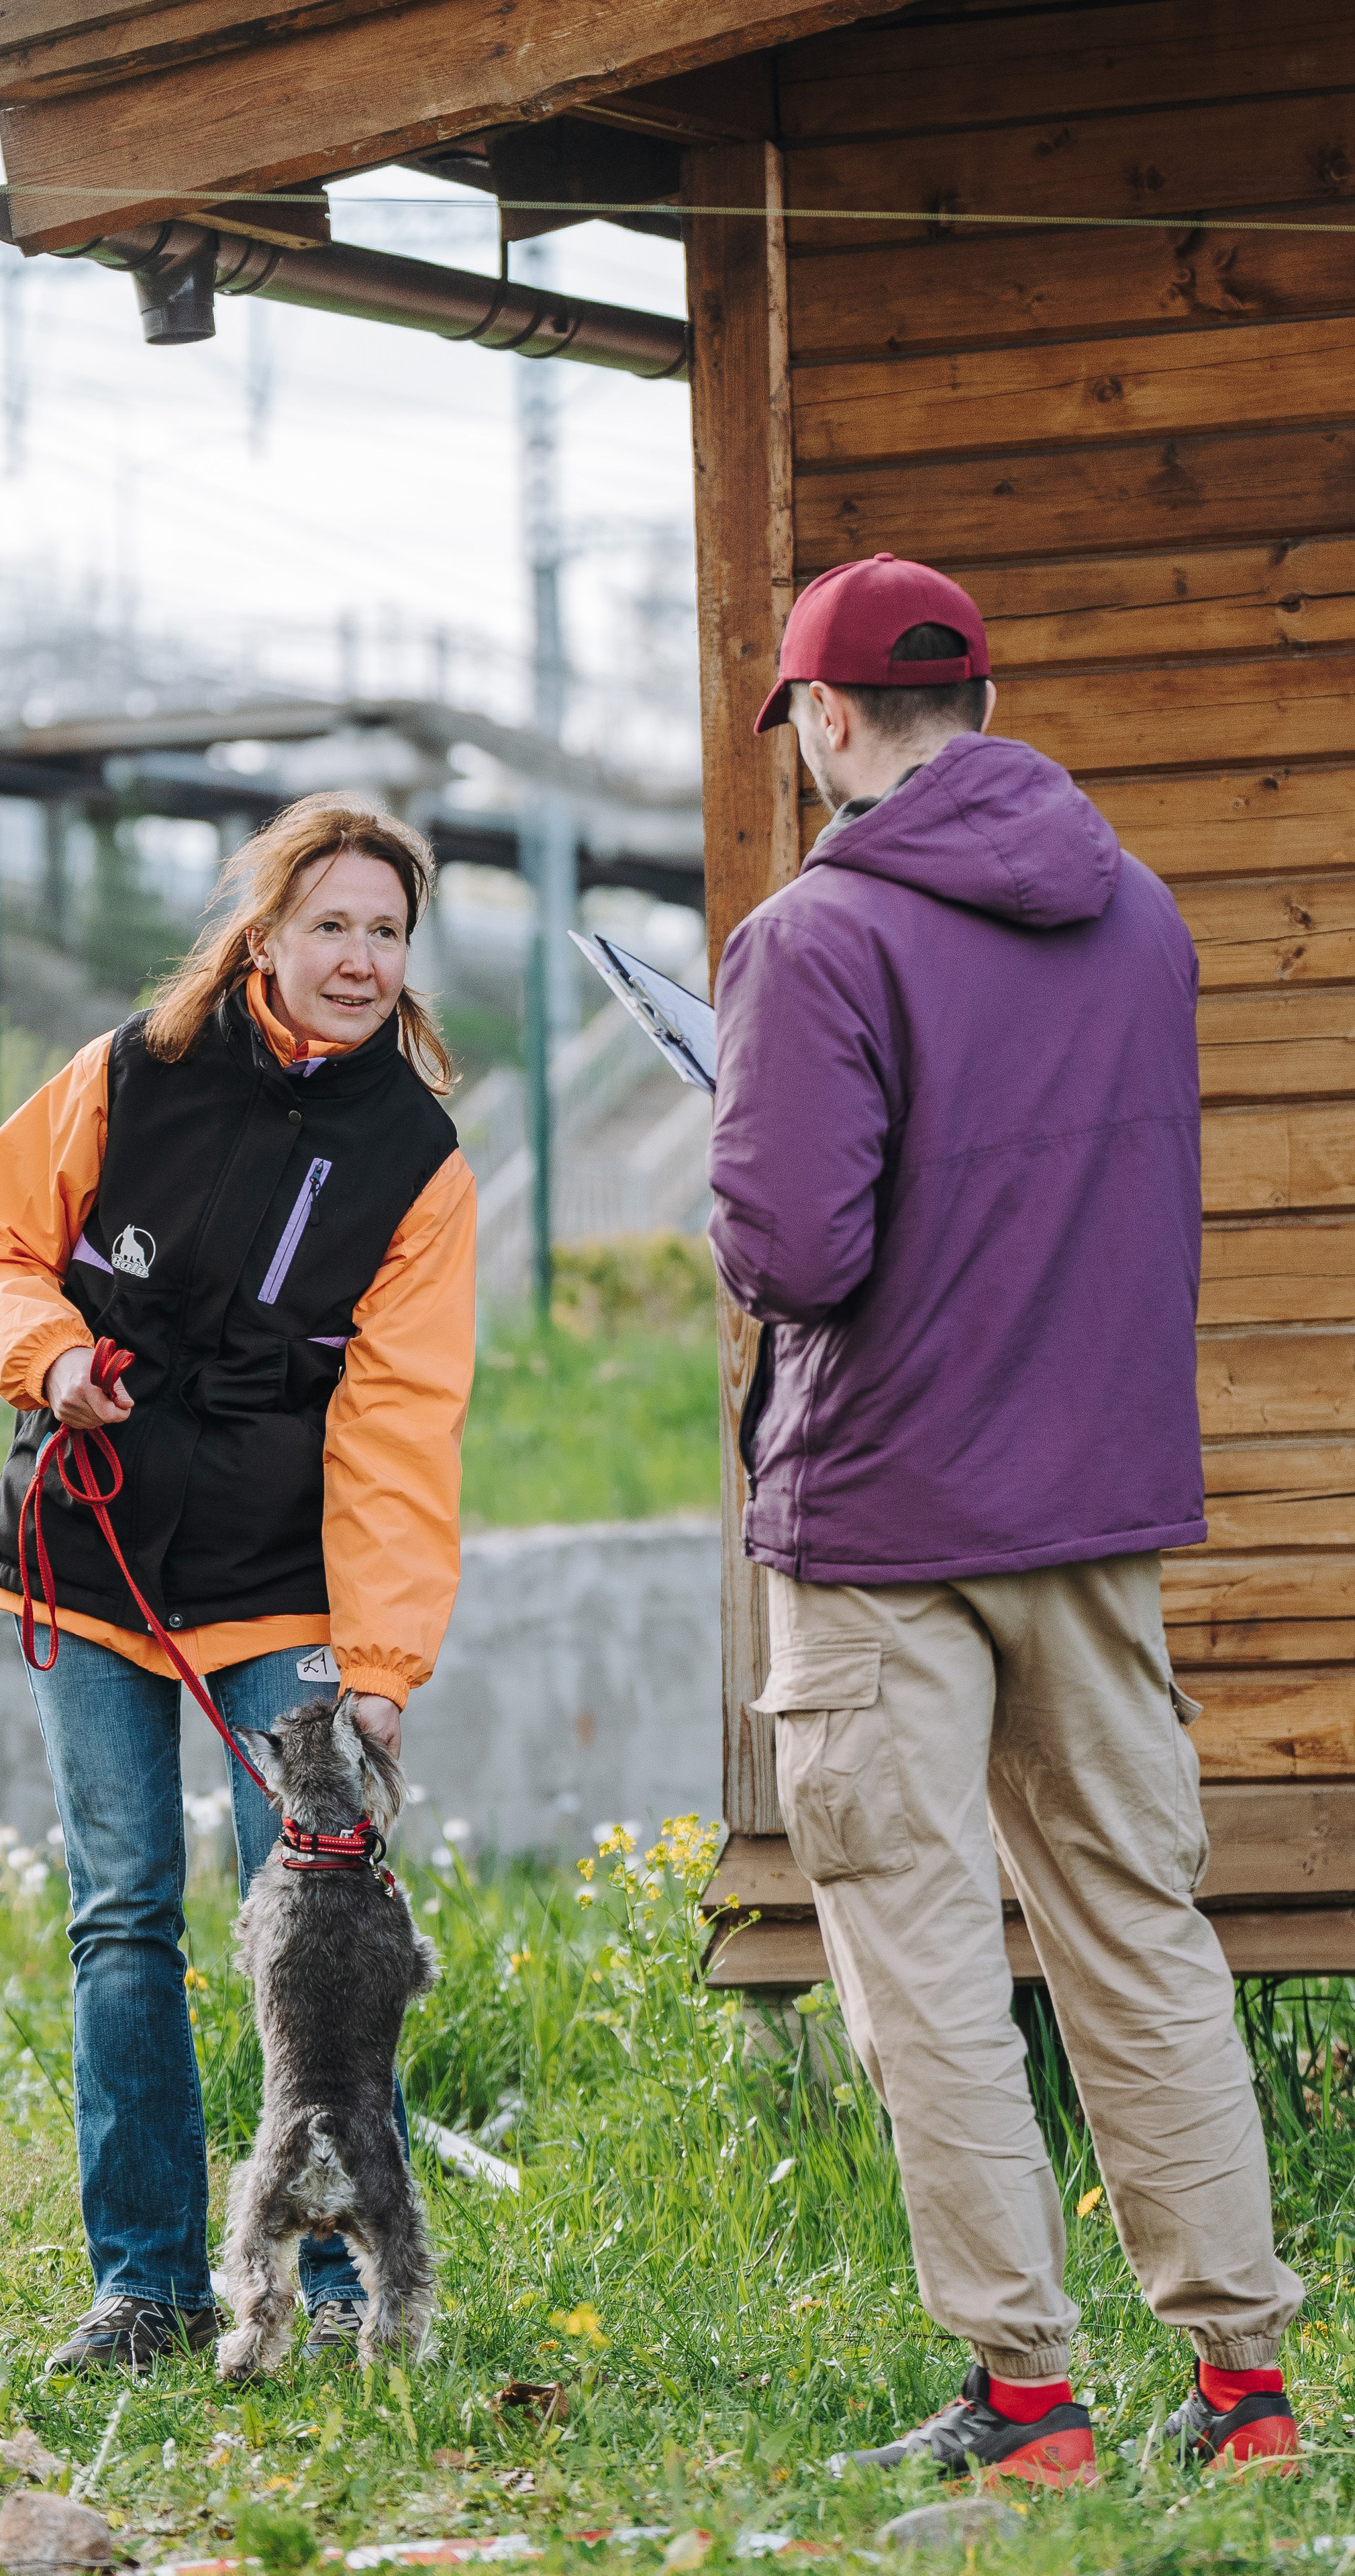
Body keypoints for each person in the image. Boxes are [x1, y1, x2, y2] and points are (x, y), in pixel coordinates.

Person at [708, 554, 1302, 2482]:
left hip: (887, 1507)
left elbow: (798, 1247)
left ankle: (1031, 2409)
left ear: (824, 717)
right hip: (1097, 1501)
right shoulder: (1139, 913)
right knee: (1142, 1923)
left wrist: (735, 1153)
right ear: (974, 696)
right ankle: (1245, 2395)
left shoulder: (817, 938)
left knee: (928, 1951)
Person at [0, 793, 476, 2374]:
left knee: (314, 1924)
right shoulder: (130, 1069)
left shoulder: (417, 1161)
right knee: (122, 1920)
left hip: (279, 1579)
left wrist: (375, 1664)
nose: (360, 958)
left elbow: (396, 1426)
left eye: (387, 932)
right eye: (332, 926)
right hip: (87, 1546)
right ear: (266, 931)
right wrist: (53, 1358)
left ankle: (323, 2288)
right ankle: (148, 2280)